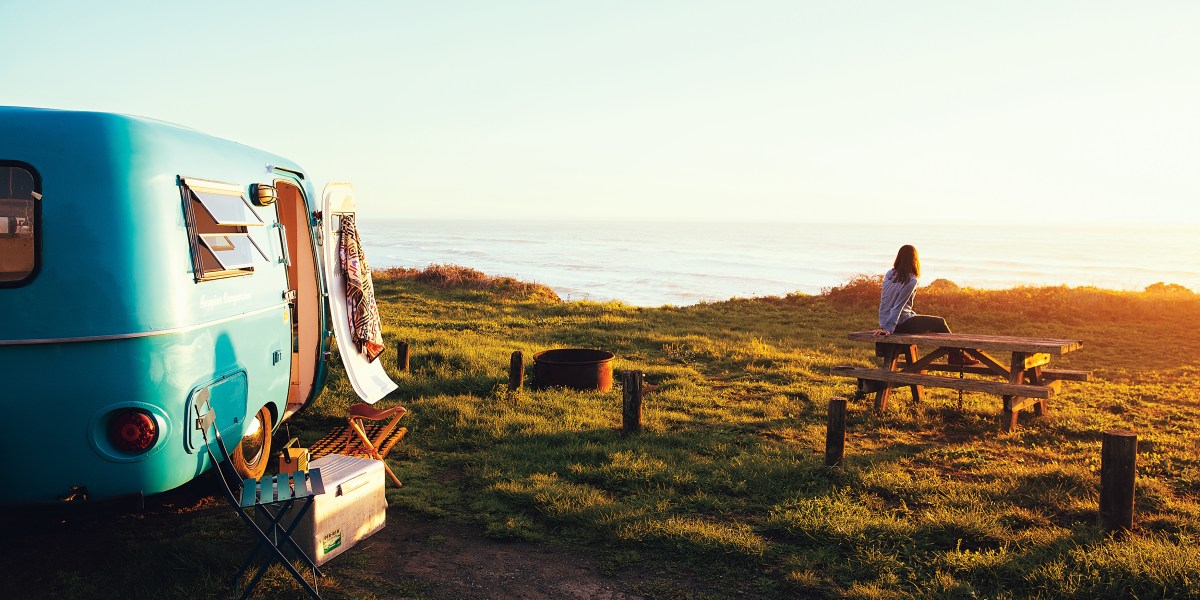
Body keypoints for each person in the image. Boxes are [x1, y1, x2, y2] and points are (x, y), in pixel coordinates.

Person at [871, 244, 977, 365]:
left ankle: (955, 354)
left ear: (898, 258)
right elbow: (898, 306)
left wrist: (884, 325)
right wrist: (889, 329)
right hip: (900, 324)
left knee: (923, 320)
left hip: (887, 321)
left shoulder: (889, 274)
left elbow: (884, 302)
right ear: (914, 260)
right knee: (940, 322)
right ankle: (956, 356)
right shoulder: (911, 280)